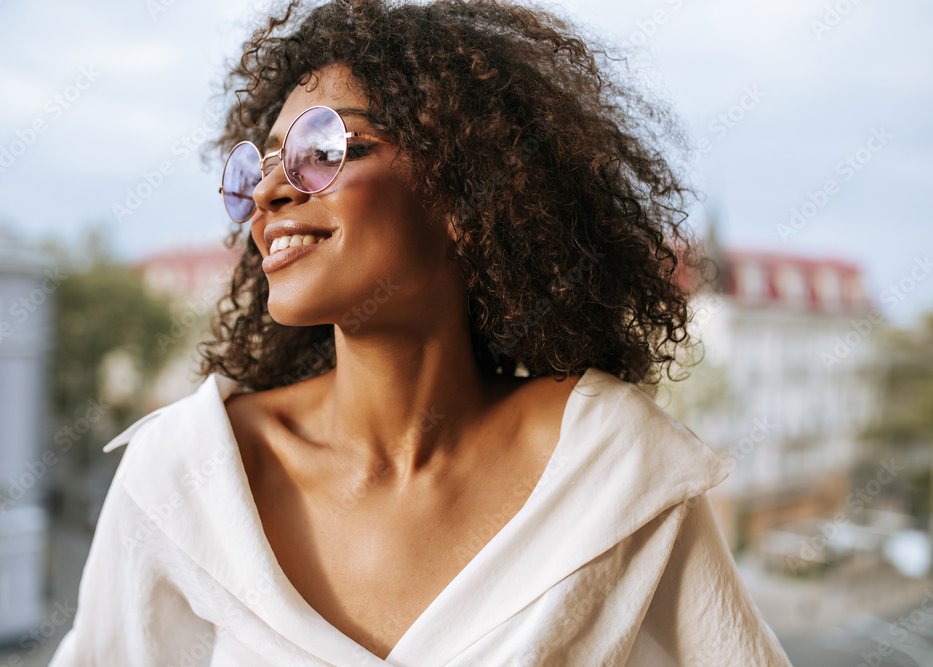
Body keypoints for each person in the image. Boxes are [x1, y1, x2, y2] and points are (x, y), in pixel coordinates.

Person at [50, 0, 793, 664]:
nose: (268, 194)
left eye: (325, 149)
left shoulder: (610, 468)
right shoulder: (186, 473)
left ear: (467, 195)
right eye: (257, 168)